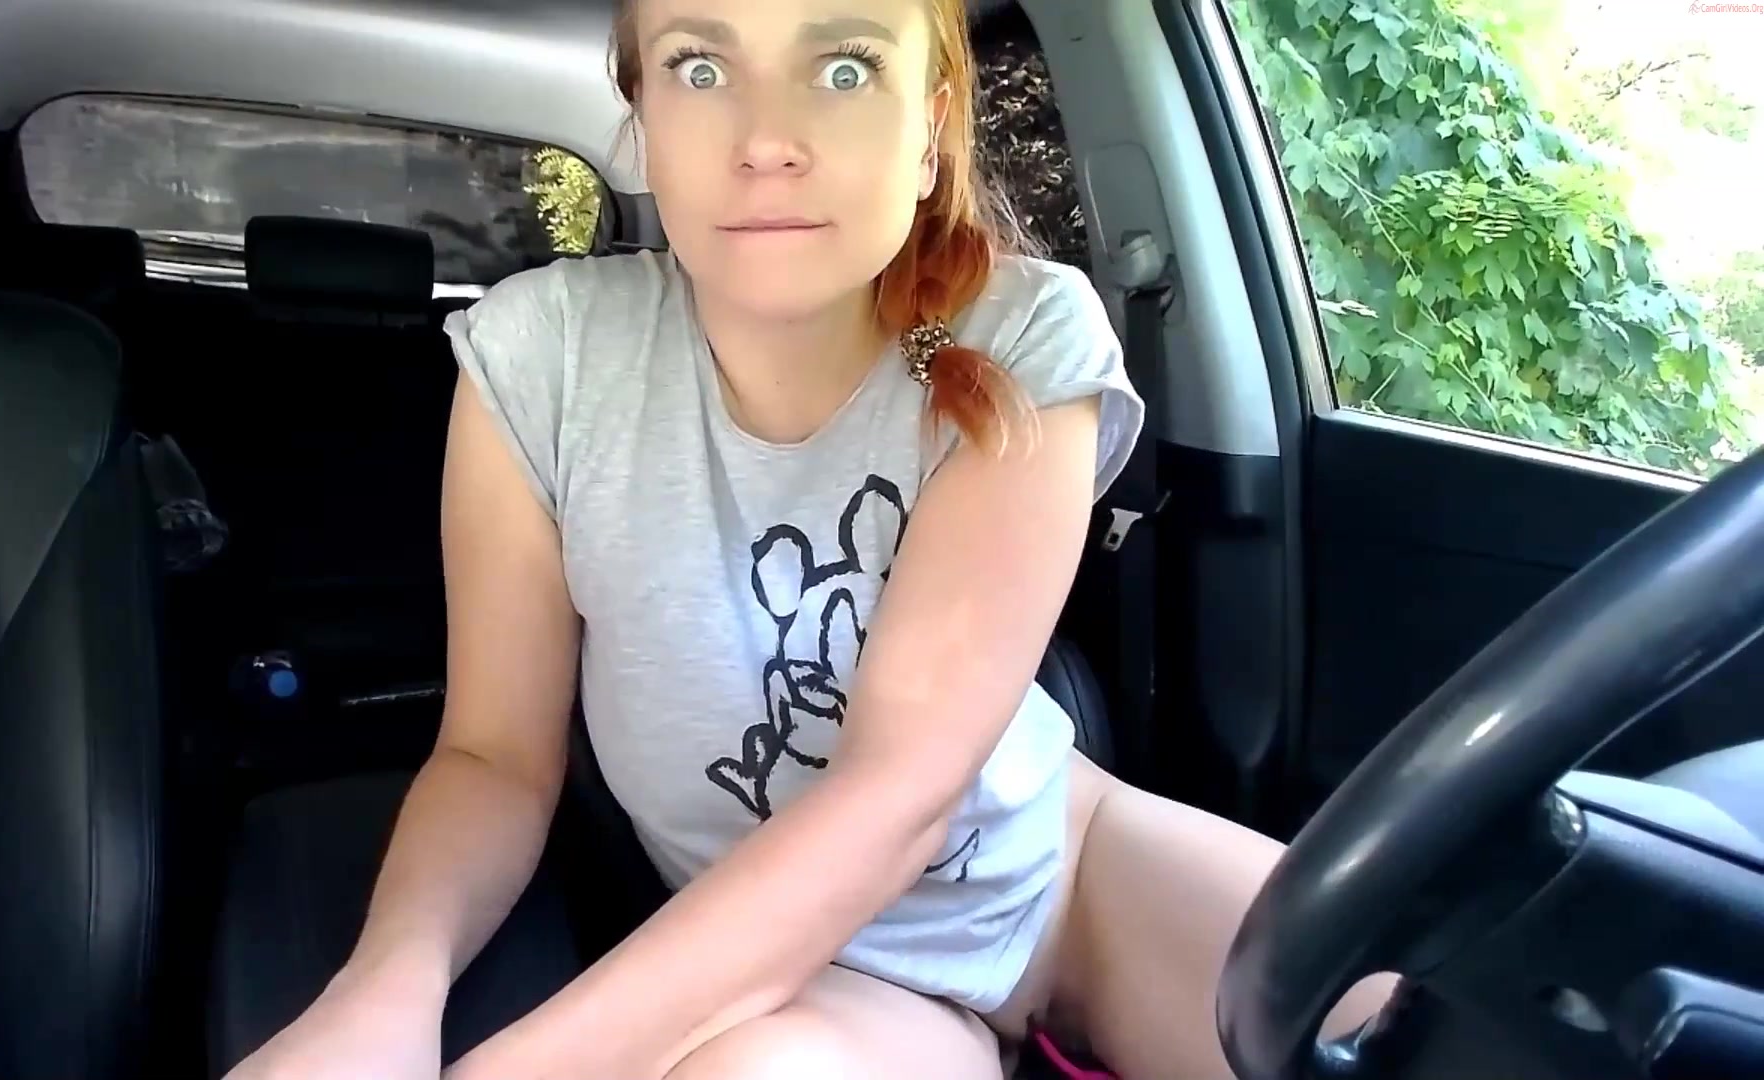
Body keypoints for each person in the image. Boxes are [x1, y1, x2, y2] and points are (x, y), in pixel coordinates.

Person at [224, 1, 1391, 1077]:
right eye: (699, 67)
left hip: (1069, 874)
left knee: (1422, 1015)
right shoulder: (538, 362)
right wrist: (382, 995)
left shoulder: (1024, 334)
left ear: (930, 127)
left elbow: (898, 796)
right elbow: (492, 759)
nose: (768, 141)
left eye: (844, 68)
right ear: (643, 116)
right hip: (828, 974)